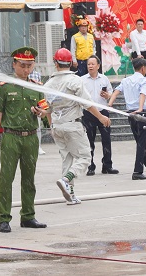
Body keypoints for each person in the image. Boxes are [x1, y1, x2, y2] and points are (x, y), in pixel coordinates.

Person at [0, 47, 47, 232]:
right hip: (11, 137)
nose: (26, 70)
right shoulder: (5, 87)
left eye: (29, 66)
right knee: (6, 178)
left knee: (29, 179)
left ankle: (28, 216)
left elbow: (45, 112)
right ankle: (4, 218)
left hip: (30, 138)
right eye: (22, 66)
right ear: (14, 65)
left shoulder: (36, 86)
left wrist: (41, 112)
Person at [43, 48, 110, 204]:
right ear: (71, 63)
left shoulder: (49, 84)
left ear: (55, 62)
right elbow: (86, 103)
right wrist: (101, 117)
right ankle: (67, 180)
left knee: (67, 159)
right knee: (85, 157)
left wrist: (52, 126)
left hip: (57, 126)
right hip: (72, 126)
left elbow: (48, 109)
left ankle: (71, 195)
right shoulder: (74, 81)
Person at [108, 58, 146, 180]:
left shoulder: (126, 80)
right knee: (141, 143)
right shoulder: (143, 80)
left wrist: (110, 104)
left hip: (130, 114)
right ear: (143, 68)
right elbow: (142, 94)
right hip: (141, 113)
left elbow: (116, 91)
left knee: (139, 142)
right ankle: (137, 172)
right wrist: (139, 109)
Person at [80, 55, 118, 176]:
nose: (90, 66)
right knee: (89, 141)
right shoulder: (82, 80)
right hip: (88, 113)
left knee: (106, 139)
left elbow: (111, 93)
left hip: (103, 111)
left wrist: (107, 96)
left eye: (92, 64)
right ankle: (90, 166)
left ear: (98, 66)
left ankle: (107, 165)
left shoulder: (104, 79)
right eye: (88, 64)